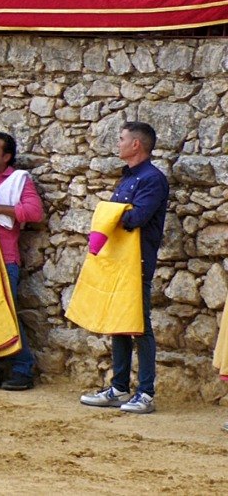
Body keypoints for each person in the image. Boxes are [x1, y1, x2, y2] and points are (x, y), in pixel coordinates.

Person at [79, 121, 169, 415]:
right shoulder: (131, 177)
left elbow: (136, 218)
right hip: (121, 260)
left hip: (137, 262)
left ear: (136, 145)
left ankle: (145, 392)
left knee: (139, 326)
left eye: (121, 139)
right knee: (119, 321)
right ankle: (119, 387)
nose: (116, 144)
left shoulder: (152, 179)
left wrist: (109, 214)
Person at [0, 132, 43, 391]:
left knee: (4, 315)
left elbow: (34, 212)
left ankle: (22, 368)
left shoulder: (18, 180)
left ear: (6, 157)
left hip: (4, 258)